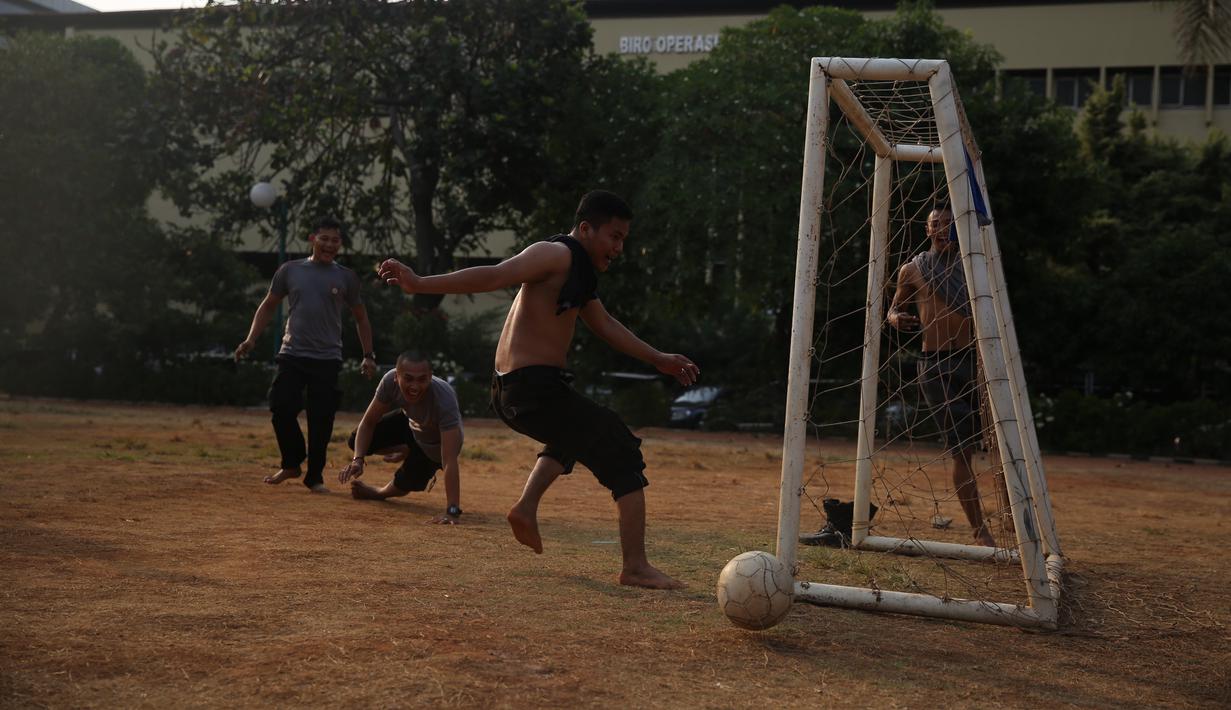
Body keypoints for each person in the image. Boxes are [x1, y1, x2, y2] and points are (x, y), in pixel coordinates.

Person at [376, 190, 698, 589]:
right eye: (614, 236)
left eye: (623, 239)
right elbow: (496, 274)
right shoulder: (556, 254)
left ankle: (526, 508)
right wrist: (420, 283)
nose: (619, 247)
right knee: (621, 450)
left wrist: (659, 359)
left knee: (573, 434)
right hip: (530, 388)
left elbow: (605, 324)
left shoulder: (578, 270)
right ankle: (635, 567)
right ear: (585, 229)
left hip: (522, 392)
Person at [235, 216, 377, 493]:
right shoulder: (289, 270)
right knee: (280, 406)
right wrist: (251, 339)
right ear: (312, 239)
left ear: (340, 244)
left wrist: (368, 354)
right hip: (293, 353)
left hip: (327, 358)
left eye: (335, 240)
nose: (329, 244)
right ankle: (291, 463)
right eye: (323, 238)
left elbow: (361, 318)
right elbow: (268, 305)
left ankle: (314, 477)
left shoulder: (346, 277)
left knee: (321, 419)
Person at [886, 204, 997, 547]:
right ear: (927, 230)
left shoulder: (976, 265)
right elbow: (893, 308)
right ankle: (980, 530)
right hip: (935, 365)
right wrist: (894, 318)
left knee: (999, 443)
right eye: (937, 224)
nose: (943, 229)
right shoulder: (913, 269)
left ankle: (1012, 517)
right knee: (961, 450)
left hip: (977, 361)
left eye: (949, 224)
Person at [337, 351, 465, 525]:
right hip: (410, 424)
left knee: (408, 482)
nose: (415, 386)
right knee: (356, 441)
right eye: (409, 378)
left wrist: (452, 511)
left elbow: (449, 460)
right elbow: (368, 422)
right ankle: (405, 448)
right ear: (396, 377)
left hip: (435, 443)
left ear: (430, 377)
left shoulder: (444, 398)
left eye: (422, 379)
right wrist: (358, 459)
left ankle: (379, 492)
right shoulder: (389, 381)